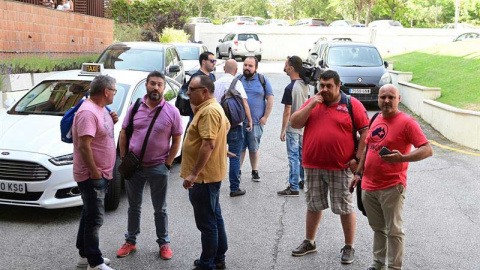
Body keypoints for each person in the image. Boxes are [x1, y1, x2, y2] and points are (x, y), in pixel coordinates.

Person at [350, 84, 433, 270]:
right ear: (378, 99)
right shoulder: (376, 118)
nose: (386, 101)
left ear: (399, 99)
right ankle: (378, 264)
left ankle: (394, 267)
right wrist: (358, 174)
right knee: (378, 228)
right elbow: (368, 148)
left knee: (394, 230)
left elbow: (427, 149)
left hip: (392, 186)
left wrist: (403, 157)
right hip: (368, 186)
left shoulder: (407, 122)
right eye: (383, 97)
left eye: (391, 97)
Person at [289, 70, 369, 264]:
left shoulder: (351, 104)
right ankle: (310, 241)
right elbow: (295, 123)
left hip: (340, 167)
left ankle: (349, 246)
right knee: (313, 205)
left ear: (338, 85)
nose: (324, 89)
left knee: (344, 207)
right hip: (313, 165)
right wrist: (311, 105)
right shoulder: (314, 101)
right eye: (321, 85)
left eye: (328, 86)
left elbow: (365, 133)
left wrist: (358, 160)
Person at [116, 71, 183, 260]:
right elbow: (123, 132)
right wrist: (124, 157)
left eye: (160, 84)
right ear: (146, 85)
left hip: (158, 167)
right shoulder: (136, 107)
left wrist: (168, 163)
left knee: (160, 208)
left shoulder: (172, 111)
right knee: (133, 206)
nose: (156, 87)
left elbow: (177, 139)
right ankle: (131, 241)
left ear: (164, 88)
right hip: (134, 167)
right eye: (152, 83)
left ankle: (164, 243)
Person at [181, 75, 230, 270]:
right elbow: (224, 128)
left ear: (205, 92)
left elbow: (208, 144)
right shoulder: (212, 107)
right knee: (214, 217)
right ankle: (218, 257)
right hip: (211, 175)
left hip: (203, 178)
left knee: (207, 223)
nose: (188, 93)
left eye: (192, 89)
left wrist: (193, 174)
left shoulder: (208, 111)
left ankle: (207, 263)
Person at [73, 75, 118, 270]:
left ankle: (84, 254)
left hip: (101, 173)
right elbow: (84, 146)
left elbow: (99, 135)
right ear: (106, 92)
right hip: (93, 175)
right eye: (114, 90)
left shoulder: (100, 108)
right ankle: (94, 262)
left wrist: (112, 121)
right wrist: (94, 172)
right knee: (95, 218)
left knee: (88, 213)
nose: (114, 94)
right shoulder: (87, 112)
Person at [213, 59, 253, 197]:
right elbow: (245, 103)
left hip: (218, 125)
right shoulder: (237, 83)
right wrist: (250, 120)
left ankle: (213, 186)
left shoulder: (215, 84)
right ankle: (234, 188)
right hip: (235, 125)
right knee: (234, 156)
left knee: (216, 155)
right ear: (236, 71)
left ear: (224, 68)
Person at [277, 56, 309, 197]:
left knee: (293, 156)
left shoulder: (290, 87)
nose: (285, 68)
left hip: (293, 127)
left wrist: (283, 129)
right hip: (303, 127)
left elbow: (287, 111)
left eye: (286, 65)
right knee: (302, 156)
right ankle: (303, 181)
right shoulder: (305, 85)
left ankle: (293, 186)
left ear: (291, 68)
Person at [239, 56, 274, 182]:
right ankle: (238, 170)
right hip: (240, 122)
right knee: (240, 147)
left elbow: (270, 98)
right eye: (245, 65)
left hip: (256, 122)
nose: (247, 68)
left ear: (256, 68)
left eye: (250, 66)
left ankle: (254, 171)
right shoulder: (238, 80)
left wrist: (265, 117)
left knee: (254, 148)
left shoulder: (262, 80)